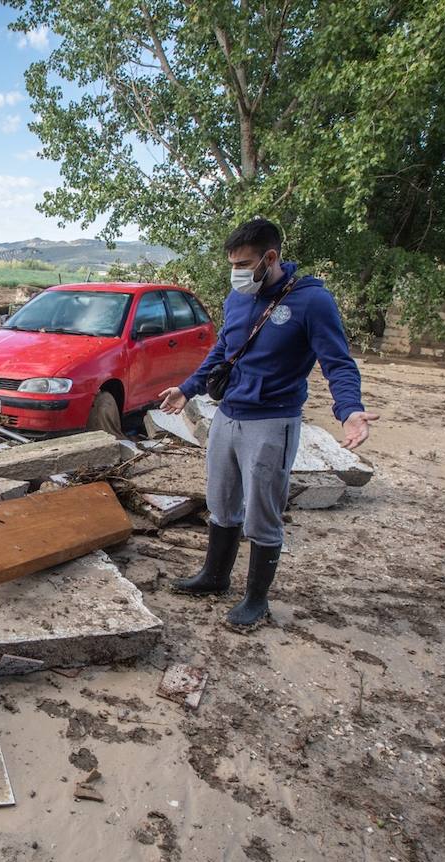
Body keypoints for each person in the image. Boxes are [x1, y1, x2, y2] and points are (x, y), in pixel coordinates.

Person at [157, 218, 378, 631]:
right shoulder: (238, 298)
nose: (236, 273)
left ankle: (256, 599)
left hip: (272, 421)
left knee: (262, 512)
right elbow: (222, 352)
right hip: (228, 416)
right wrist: (188, 389)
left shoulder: (312, 302)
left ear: (270, 257)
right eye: (232, 265)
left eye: (243, 264)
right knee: (221, 502)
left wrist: (350, 409)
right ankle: (214, 577)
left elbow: (337, 362)